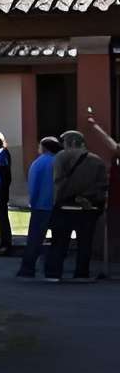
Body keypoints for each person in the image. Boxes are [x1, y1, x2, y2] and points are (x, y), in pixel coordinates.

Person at [45, 111, 114, 282]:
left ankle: (54, 273)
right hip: (88, 209)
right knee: (85, 244)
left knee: (59, 243)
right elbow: (103, 185)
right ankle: (81, 273)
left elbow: (57, 182)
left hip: (64, 206)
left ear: (69, 142)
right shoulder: (97, 160)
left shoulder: (61, 157)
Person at [15, 134, 60, 280]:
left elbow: (33, 187)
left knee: (34, 239)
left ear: (43, 147)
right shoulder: (60, 162)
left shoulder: (38, 163)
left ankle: (27, 269)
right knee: (58, 240)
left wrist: (32, 203)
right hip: (58, 206)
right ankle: (52, 270)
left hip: (41, 206)